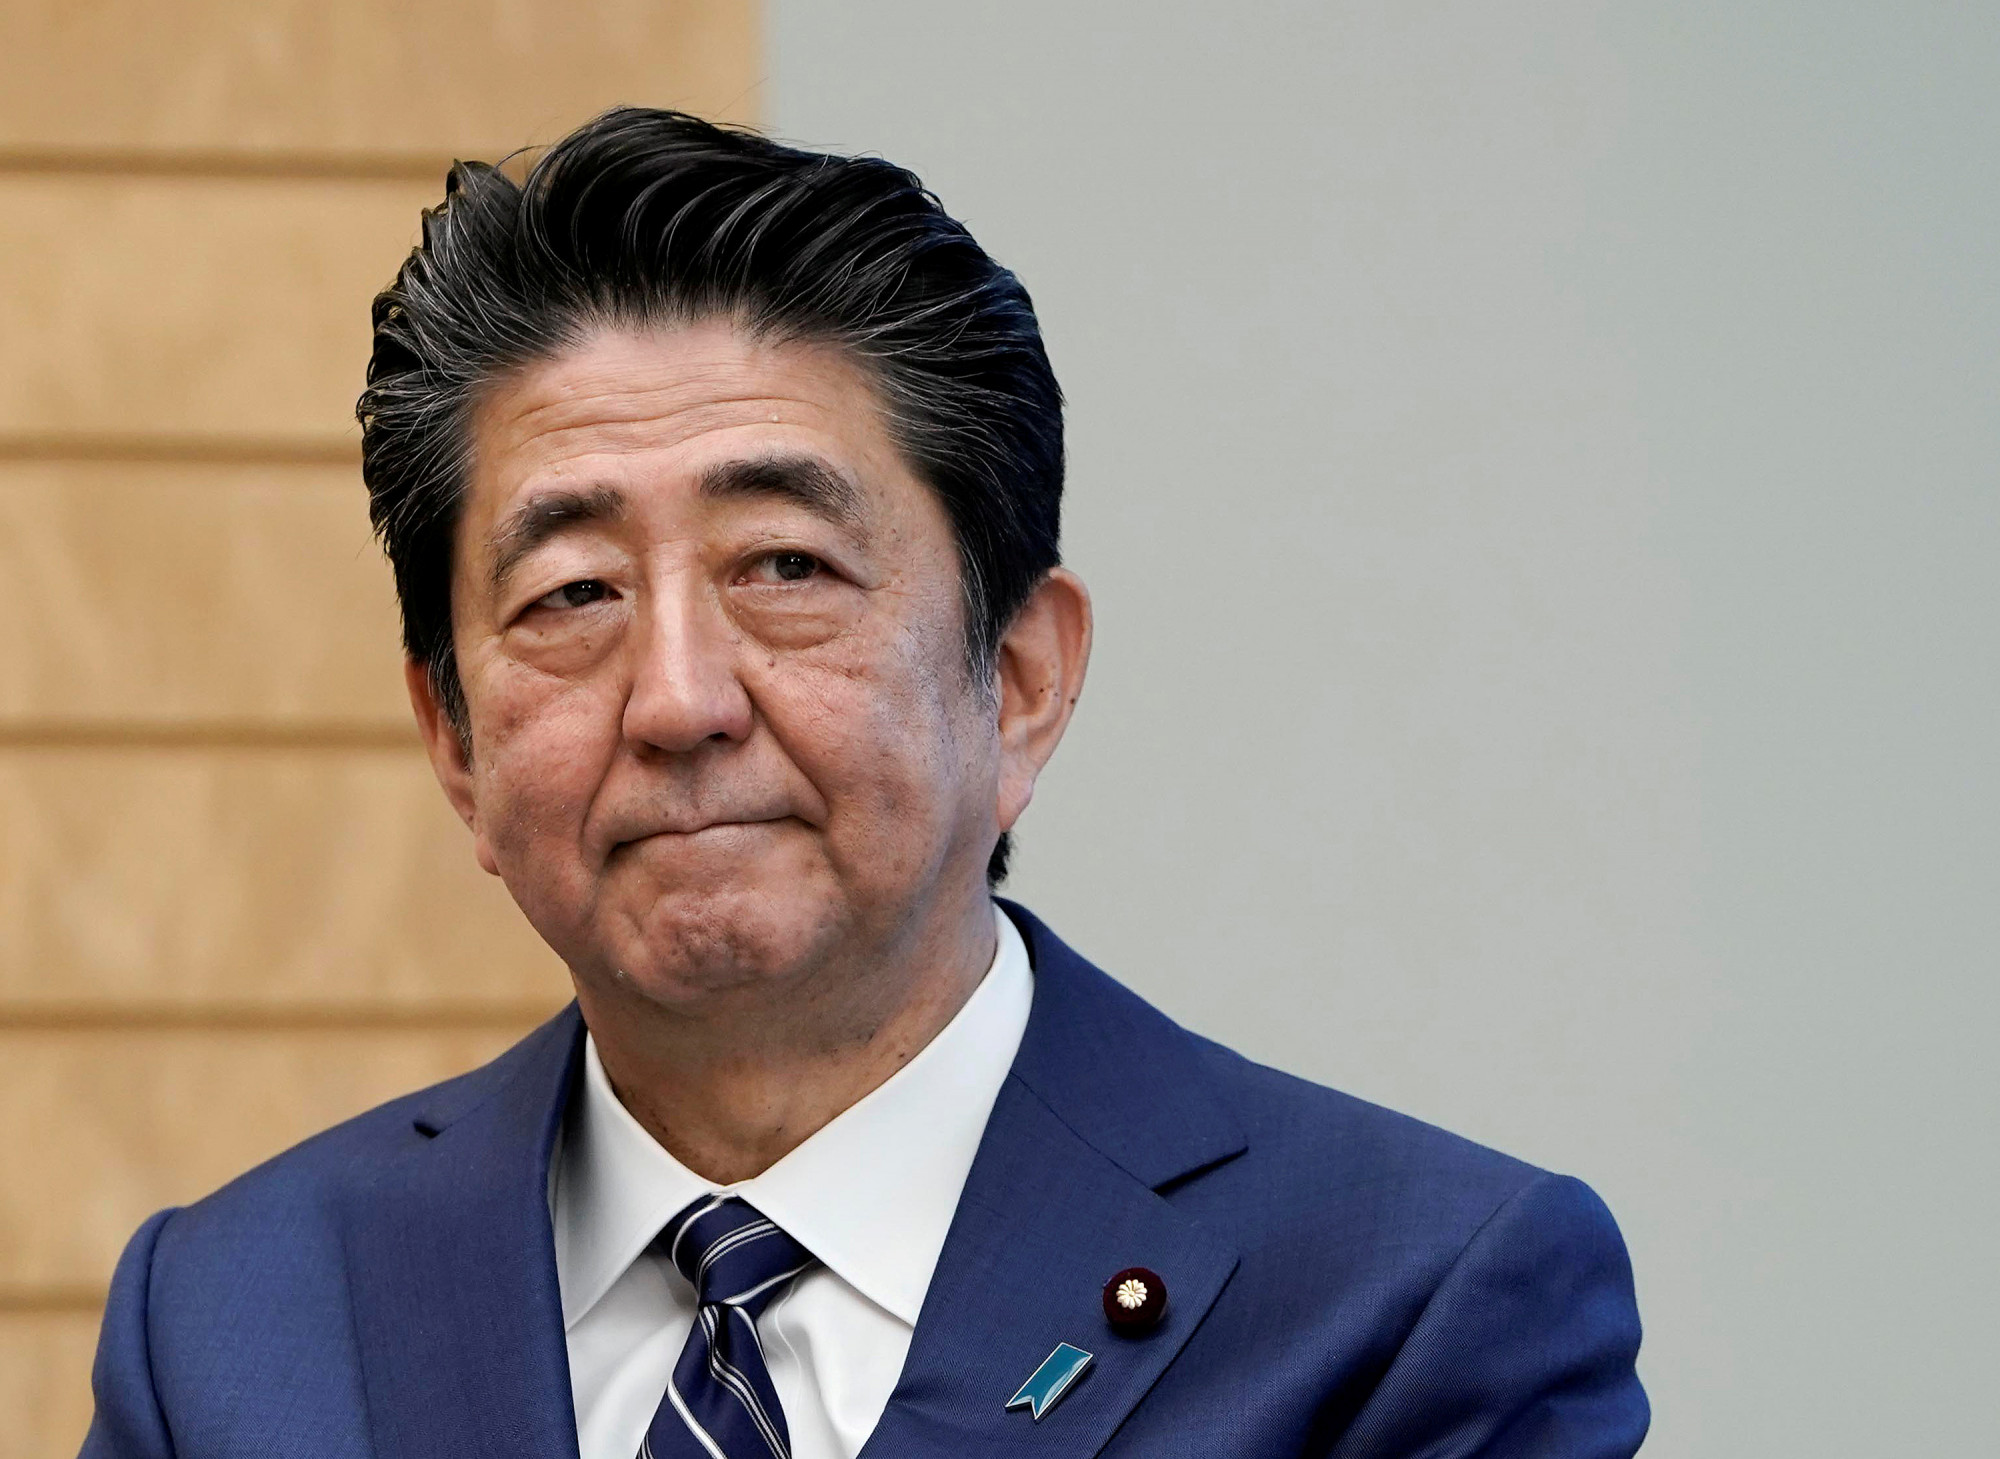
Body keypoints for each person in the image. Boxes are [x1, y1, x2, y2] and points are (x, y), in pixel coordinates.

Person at [81, 108, 1648, 1458]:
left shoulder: (1407, 1305)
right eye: (572, 594)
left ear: (1021, 680)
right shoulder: (233, 1320)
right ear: (456, 744)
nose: (680, 700)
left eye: (784, 564)